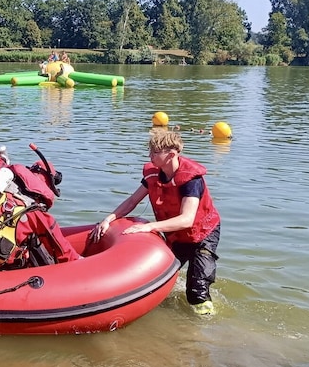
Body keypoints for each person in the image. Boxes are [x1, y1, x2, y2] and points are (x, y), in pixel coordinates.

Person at [89, 129, 221, 315]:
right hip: (176, 234)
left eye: (155, 152)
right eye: (150, 150)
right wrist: (108, 219)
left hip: (203, 233)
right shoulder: (153, 174)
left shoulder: (191, 180)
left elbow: (186, 219)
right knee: (161, 274)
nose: (150, 155)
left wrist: (148, 227)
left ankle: (205, 325)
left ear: (172, 154)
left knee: (197, 291)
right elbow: (132, 201)